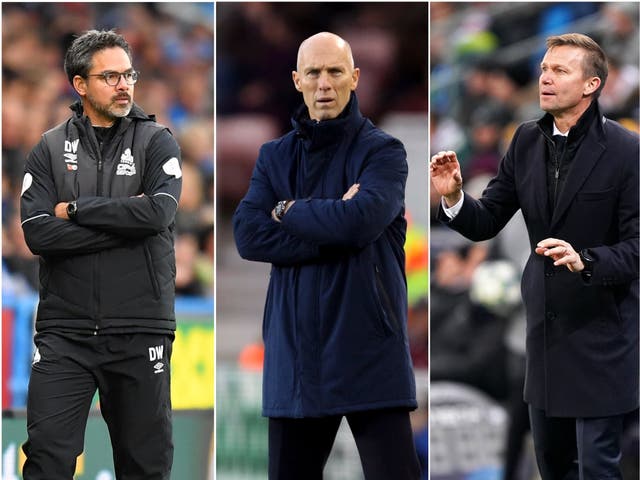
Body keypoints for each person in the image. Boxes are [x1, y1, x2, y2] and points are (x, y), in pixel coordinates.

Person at [430, 33, 639, 479]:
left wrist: (586, 260)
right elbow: (487, 220)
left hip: (604, 332)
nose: (545, 77)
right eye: (544, 69)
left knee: (600, 468)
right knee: (552, 466)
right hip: (543, 332)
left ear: (591, 85)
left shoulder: (627, 152)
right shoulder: (524, 141)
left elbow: (637, 249)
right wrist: (453, 199)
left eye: (560, 70)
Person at [233, 32, 421, 480]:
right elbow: (247, 235)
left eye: (335, 71)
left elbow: (360, 221)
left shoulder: (384, 153)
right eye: (314, 73)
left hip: (368, 351)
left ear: (354, 78)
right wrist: (333, 220)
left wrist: (288, 210)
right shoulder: (274, 157)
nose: (324, 83)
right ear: (297, 80)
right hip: (295, 356)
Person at [19, 30, 182, 479]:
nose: (124, 84)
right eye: (110, 75)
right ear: (80, 84)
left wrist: (76, 210)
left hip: (140, 329)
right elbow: (37, 233)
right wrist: (126, 228)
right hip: (64, 333)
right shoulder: (49, 148)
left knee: (144, 467)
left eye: (128, 74)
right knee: (47, 461)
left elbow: (158, 213)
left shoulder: (157, 141)